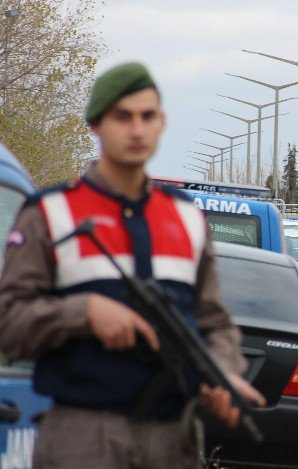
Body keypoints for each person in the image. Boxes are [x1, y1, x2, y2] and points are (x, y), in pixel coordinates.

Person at [0, 62, 264, 469]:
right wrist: (83, 313)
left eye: (147, 116)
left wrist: (223, 374)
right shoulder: (50, 213)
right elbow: (9, 324)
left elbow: (214, 322)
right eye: (122, 117)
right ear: (96, 125)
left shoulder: (187, 218)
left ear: (162, 123)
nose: (137, 130)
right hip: (83, 437)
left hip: (174, 439)